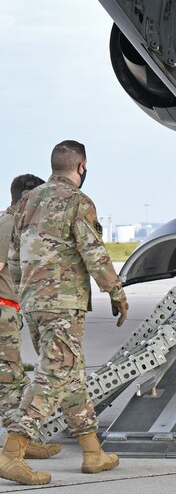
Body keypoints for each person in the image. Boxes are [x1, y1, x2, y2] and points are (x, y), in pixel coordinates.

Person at [0, 141, 130, 486]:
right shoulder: (77, 201)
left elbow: (14, 254)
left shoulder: (27, 200)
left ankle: (92, 452)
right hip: (63, 303)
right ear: (81, 167)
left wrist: (23, 289)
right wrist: (115, 291)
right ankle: (12, 452)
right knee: (56, 374)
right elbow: (94, 252)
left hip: (32, 302)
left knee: (70, 374)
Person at [0, 175, 59, 461]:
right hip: (3, 310)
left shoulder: (15, 222)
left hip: (10, 309)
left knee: (12, 377)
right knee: (10, 379)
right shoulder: (9, 223)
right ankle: (17, 446)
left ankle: (23, 441)